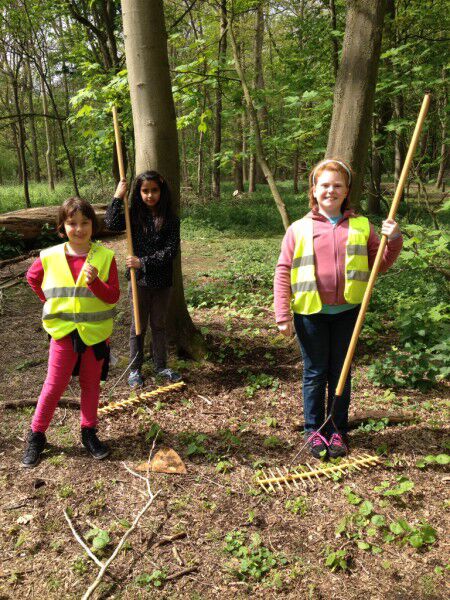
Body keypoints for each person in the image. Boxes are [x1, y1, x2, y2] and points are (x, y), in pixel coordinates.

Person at [274, 159, 402, 459]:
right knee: (315, 373)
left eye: (337, 185)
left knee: (341, 373)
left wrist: (394, 239)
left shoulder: (361, 226)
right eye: (325, 185)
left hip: (348, 313)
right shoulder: (299, 228)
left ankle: (337, 430)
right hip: (310, 314)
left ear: (346, 191)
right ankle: (314, 430)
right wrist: (282, 313)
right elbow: (283, 270)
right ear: (314, 190)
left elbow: (379, 265)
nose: (330, 190)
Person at [23, 197, 120, 468]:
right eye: (72, 223)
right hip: (63, 333)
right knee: (54, 385)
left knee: (91, 384)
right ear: (62, 227)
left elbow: (113, 296)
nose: (79, 229)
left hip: (95, 335)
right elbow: (32, 278)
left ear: (93, 226)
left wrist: (95, 282)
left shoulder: (105, 257)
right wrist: (49, 301)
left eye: (85, 223)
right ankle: (37, 434)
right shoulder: (49, 256)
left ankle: (89, 432)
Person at [105, 171, 181, 387]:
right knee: (138, 325)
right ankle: (134, 369)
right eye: (145, 191)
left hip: (162, 280)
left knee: (158, 324)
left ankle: (161, 366)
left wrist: (143, 261)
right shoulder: (133, 216)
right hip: (139, 281)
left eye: (154, 190)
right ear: (138, 192)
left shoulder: (171, 219)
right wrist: (117, 196)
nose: (150, 195)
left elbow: (171, 251)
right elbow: (110, 222)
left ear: (161, 191)